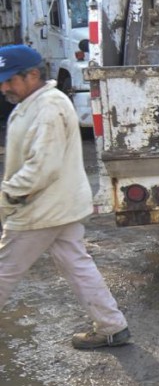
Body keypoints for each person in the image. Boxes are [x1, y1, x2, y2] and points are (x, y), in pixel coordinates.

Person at [0, 45, 131, 350]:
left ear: (33, 75)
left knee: (4, 270)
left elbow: (41, 167)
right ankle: (112, 327)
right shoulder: (34, 102)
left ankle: (112, 326)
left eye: (10, 80)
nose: (4, 87)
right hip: (59, 206)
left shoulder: (48, 108)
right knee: (77, 265)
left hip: (40, 209)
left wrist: (8, 194)